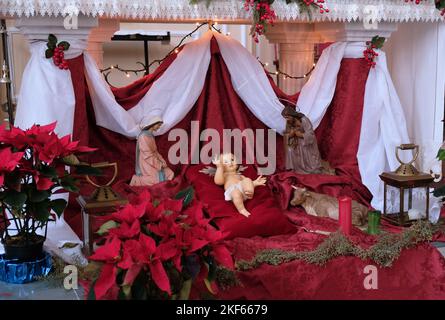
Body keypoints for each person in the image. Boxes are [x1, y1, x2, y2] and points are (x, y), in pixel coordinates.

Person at [213, 153, 266, 217]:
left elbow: (246, 183)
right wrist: (219, 168)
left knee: (247, 179)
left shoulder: (240, 176)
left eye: (232, 160)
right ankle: (242, 209)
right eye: (226, 162)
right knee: (236, 193)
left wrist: (254, 183)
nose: (230, 162)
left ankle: (249, 193)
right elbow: (218, 182)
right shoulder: (224, 175)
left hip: (244, 190)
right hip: (233, 191)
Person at [129, 116, 174, 186]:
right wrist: (159, 164)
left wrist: (162, 161)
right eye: (158, 125)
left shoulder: (151, 135)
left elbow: (155, 151)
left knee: (170, 173)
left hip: (153, 159)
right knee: (157, 180)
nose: (159, 127)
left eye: (160, 126)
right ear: (153, 124)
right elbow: (147, 155)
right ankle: (137, 180)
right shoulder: (143, 136)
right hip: (146, 162)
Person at [281, 106, 324, 174]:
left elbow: (310, 134)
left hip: (305, 141)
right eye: (285, 118)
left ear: (292, 115)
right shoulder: (289, 121)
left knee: (304, 149)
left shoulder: (304, 120)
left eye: (287, 117)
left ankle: (311, 167)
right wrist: (290, 134)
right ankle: (294, 167)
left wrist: (300, 135)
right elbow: (287, 133)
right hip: (295, 141)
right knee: (290, 149)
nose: (286, 119)